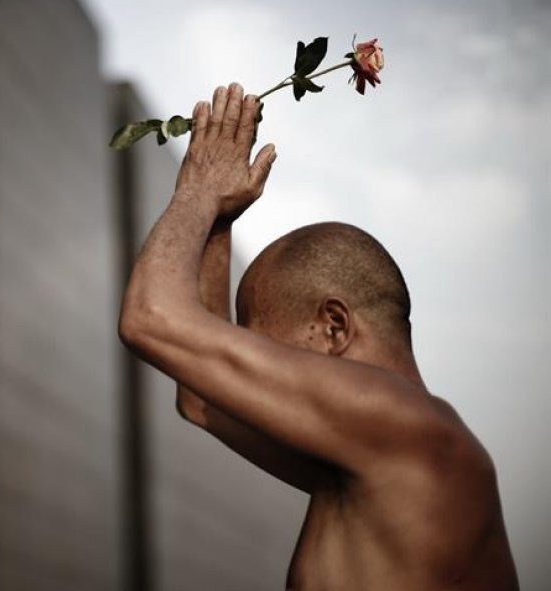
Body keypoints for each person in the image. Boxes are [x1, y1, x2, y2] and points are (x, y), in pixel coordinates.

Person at [118, 82, 519, 590]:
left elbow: (150, 317)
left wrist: (197, 190)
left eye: (262, 345)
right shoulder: (369, 457)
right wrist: (218, 218)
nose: (253, 367)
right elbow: (201, 400)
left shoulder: (406, 424)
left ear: (334, 327)